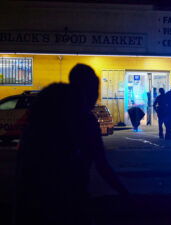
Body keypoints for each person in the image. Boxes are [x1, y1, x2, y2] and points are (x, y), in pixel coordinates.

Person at [14, 64, 129, 225]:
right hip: (69, 201)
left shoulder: (45, 109)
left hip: (30, 199)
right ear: (87, 88)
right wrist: (126, 195)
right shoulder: (83, 119)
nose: (96, 95)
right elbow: (101, 164)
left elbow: (23, 158)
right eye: (95, 88)